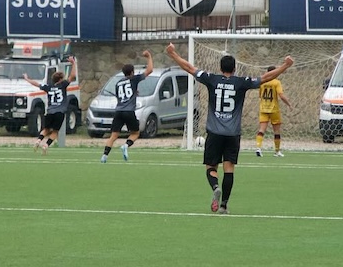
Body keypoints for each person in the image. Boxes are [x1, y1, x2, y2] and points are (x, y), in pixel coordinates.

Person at [166, 42, 294, 214]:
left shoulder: (211, 79)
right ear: (235, 69)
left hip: (214, 133)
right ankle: (224, 205)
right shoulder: (241, 82)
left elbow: (189, 68)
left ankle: (215, 187)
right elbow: (265, 78)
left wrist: (173, 54)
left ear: (220, 68)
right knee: (229, 169)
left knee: (211, 167)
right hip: (233, 134)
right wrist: (285, 65)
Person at [101, 50, 153, 163]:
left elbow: (120, 96)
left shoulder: (118, 82)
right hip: (129, 111)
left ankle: (104, 156)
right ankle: (126, 145)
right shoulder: (134, 79)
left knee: (113, 135)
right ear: (132, 72)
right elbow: (149, 70)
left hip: (118, 111)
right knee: (135, 133)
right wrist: (149, 57)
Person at [22, 57, 76, 154]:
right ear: (60, 79)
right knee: (55, 131)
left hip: (50, 111)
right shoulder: (63, 85)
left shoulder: (48, 87)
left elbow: (37, 84)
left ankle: (38, 140)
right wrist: (73, 63)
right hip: (59, 112)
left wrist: (27, 79)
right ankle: (46, 145)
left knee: (46, 129)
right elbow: (72, 76)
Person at [255, 65, 292, 157]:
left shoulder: (262, 83)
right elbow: (281, 95)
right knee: (277, 131)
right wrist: (289, 104)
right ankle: (277, 151)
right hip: (274, 109)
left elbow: (260, 95)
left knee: (261, 129)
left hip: (263, 108)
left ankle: (258, 148)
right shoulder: (276, 82)